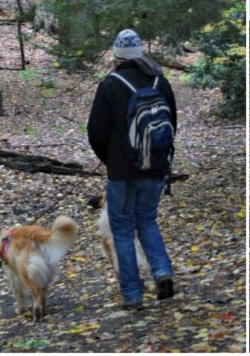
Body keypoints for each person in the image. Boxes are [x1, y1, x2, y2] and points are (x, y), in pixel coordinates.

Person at [87, 28, 178, 309]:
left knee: (123, 232)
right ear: (140, 53)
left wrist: (110, 158)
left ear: (117, 56)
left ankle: (132, 295)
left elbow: (95, 131)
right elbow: (172, 124)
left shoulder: (110, 85)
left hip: (122, 174)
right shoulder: (160, 81)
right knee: (148, 221)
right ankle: (162, 272)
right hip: (155, 169)